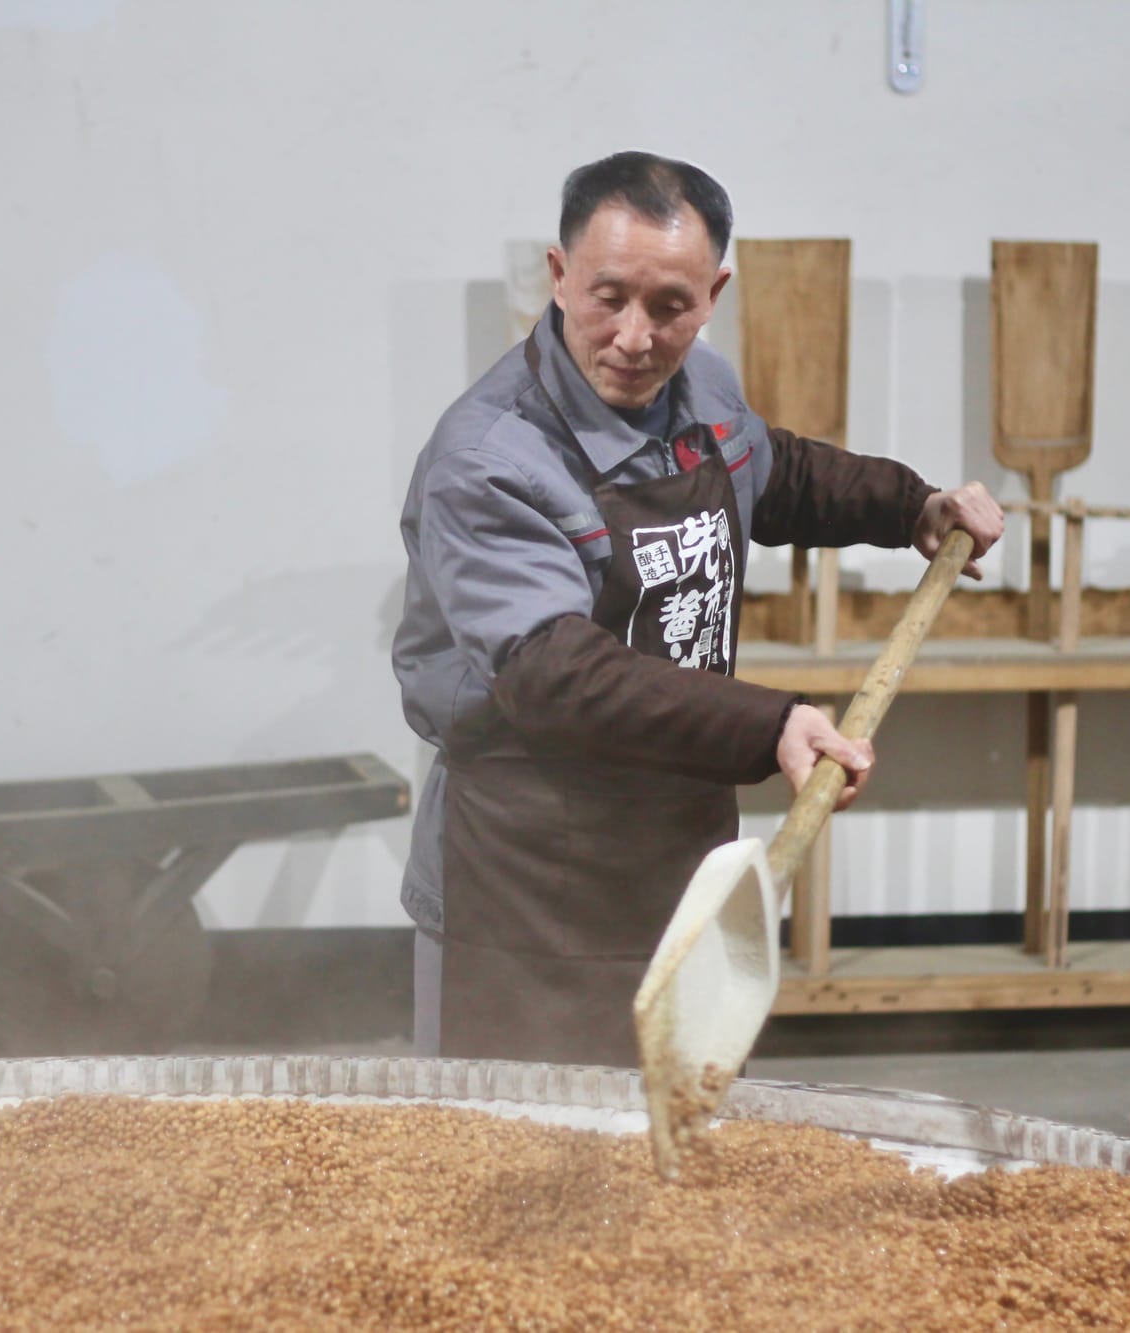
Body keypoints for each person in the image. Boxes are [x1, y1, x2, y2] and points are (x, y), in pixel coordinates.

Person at [391, 151, 1004, 1067]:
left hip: (678, 854)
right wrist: (770, 724)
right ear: (559, 276)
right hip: (529, 884)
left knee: (678, 1134)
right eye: (608, 298)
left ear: (713, 294)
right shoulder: (490, 457)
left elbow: (776, 470)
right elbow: (553, 672)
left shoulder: (701, 388)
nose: (635, 338)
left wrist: (910, 505)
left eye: (670, 306)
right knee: (517, 1140)